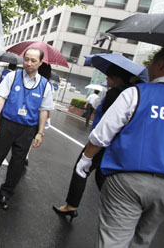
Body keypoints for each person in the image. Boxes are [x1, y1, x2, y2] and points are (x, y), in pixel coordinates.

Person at [76, 43, 164, 247]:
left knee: (113, 241)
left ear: (161, 64)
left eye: (151, 63)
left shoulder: (136, 93)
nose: (146, 69)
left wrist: (86, 158)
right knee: (142, 241)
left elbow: (103, 134)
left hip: (128, 180)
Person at [53, 64, 134, 221]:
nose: (106, 79)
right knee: (102, 175)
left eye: (108, 77)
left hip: (102, 143)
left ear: (116, 79)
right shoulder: (133, 92)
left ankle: (71, 206)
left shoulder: (115, 94)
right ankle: (117, 208)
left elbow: (109, 122)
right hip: (119, 144)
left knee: (81, 168)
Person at [0, 48, 54, 210]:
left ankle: (6, 192)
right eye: (26, 59)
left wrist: (40, 133)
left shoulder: (45, 85)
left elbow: (43, 111)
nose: (29, 63)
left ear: (40, 63)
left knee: (18, 164)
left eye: (33, 60)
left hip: (27, 129)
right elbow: (2, 98)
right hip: (7, 123)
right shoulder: (13, 77)